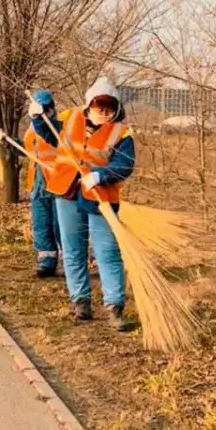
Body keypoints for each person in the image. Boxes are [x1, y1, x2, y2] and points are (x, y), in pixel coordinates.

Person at [31, 78, 135, 331]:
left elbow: (125, 164)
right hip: (66, 192)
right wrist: (36, 117)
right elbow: (48, 133)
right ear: (90, 104)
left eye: (110, 107)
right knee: (73, 250)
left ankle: (114, 307)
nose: (105, 112)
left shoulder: (122, 133)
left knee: (107, 252)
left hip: (101, 197)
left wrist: (101, 175)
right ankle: (80, 302)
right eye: (100, 106)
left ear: (117, 108)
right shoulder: (70, 119)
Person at [14, 90, 62, 279]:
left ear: (51, 110)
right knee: (41, 225)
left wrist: (40, 119)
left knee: (60, 226)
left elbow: (51, 137)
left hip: (58, 185)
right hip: (37, 185)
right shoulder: (31, 129)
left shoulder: (58, 127)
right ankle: (46, 261)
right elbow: (27, 150)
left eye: (45, 110)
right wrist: (9, 143)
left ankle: (71, 261)